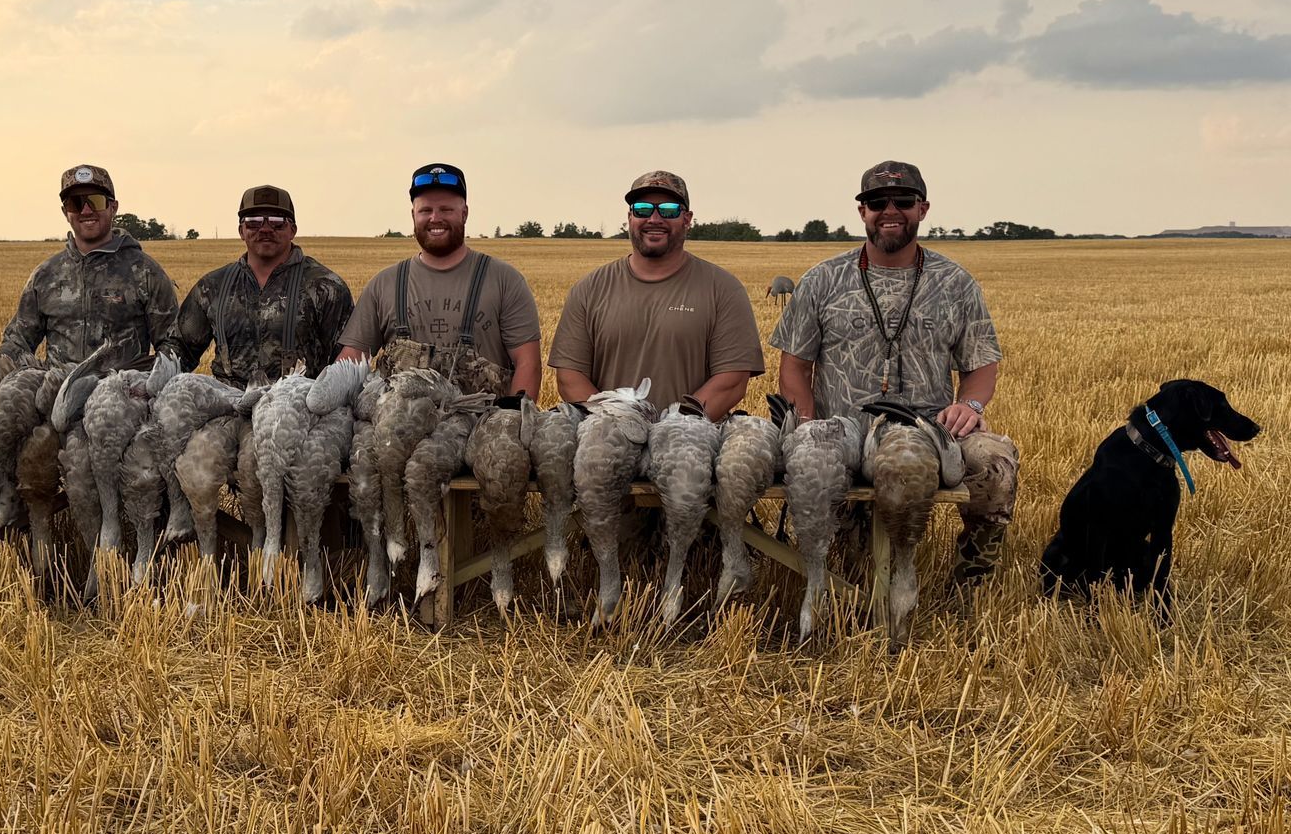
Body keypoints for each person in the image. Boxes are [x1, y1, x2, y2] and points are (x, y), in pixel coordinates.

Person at [770, 160, 1019, 583]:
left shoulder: (955, 283)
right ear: (862, 210)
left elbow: (982, 366)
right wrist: (807, 424)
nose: (889, 210)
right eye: (876, 201)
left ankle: (973, 577)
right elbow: (794, 368)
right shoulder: (822, 280)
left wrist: (970, 404)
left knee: (996, 464)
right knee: (851, 570)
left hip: (932, 431)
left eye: (902, 201)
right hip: (843, 429)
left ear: (922, 209)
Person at [549, 170, 765, 418]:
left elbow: (732, 381)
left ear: (687, 218)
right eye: (642, 209)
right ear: (630, 217)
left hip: (692, 446)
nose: (654, 218)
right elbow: (569, 377)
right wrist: (617, 427)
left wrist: (673, 431)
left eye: (669, 210)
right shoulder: (589, 290)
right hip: (608, 445)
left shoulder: (723, 289)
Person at [337, 163, 541, 398]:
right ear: (413, 215)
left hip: (481, 429)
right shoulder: (384, 285)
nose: (435, 218)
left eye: (446, 209)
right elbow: (351, 360)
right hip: (397, 430)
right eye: (426, 210)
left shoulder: (505, 280)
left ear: (464, 213)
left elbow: (529, 364)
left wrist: (513, 419)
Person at [0, 164, 179, 370]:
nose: (86, 210)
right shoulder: (46, 275)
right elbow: (17, 343)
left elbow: (172, 346)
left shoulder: (145, 273)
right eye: (75, 203)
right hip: (57, 395)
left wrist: (146, 385)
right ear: (65, 212)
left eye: (95, 201)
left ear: (113, 207)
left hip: (120, 396)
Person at [175, 185, 354, 387]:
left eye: (278, 222)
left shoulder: (326, 287)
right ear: (241, 231)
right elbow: (180, 349)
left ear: (293, 230)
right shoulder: (212, 287)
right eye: (254, 222)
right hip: (226, 409)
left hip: (297, 411)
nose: (266, 229)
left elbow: (346, 362)